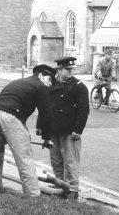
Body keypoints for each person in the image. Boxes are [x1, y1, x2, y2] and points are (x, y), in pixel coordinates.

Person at [0, 64, 56, 197]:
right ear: (40, 76)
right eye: (49, 79)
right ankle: (33, 196)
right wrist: (47, 138)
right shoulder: (41, 86)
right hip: (11, 117)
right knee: (24, 157)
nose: (50, 84)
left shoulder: (18, 82)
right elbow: (46, 114)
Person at [38, 56, 89, 200]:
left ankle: (72, 189)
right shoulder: (51, 85)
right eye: (68, 69)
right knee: (56, 159)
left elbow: (84, 110)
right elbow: (44, 106)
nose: (71, 72)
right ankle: (59, 184)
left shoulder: (79, 86)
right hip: (53, 129)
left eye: (72, 69)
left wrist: (78, 130)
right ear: (59, 70)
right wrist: (40, 126)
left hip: (69, 130)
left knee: (71, 160)